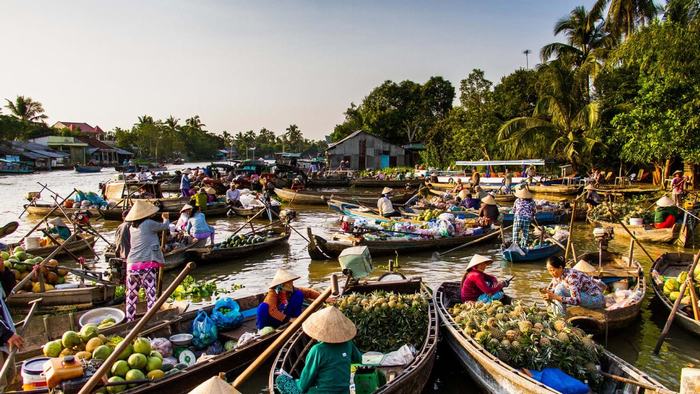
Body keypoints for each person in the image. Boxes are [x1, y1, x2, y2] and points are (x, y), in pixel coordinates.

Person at [275, 306, 362, 394]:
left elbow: (304, 383)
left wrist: (297, 384)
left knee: (281, 379)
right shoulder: (348, 344)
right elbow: (358, 359)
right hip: (344, 391)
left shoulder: (317, 350)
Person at [124, 200, 170, 322]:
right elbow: (164, 226)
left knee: (131, 296)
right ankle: (150, 319)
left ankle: (130, 320)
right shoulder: (148, 223)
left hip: (131, 266)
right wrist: (165, 218)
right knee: (151, 295)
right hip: (146, 266)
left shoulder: (132, 227)